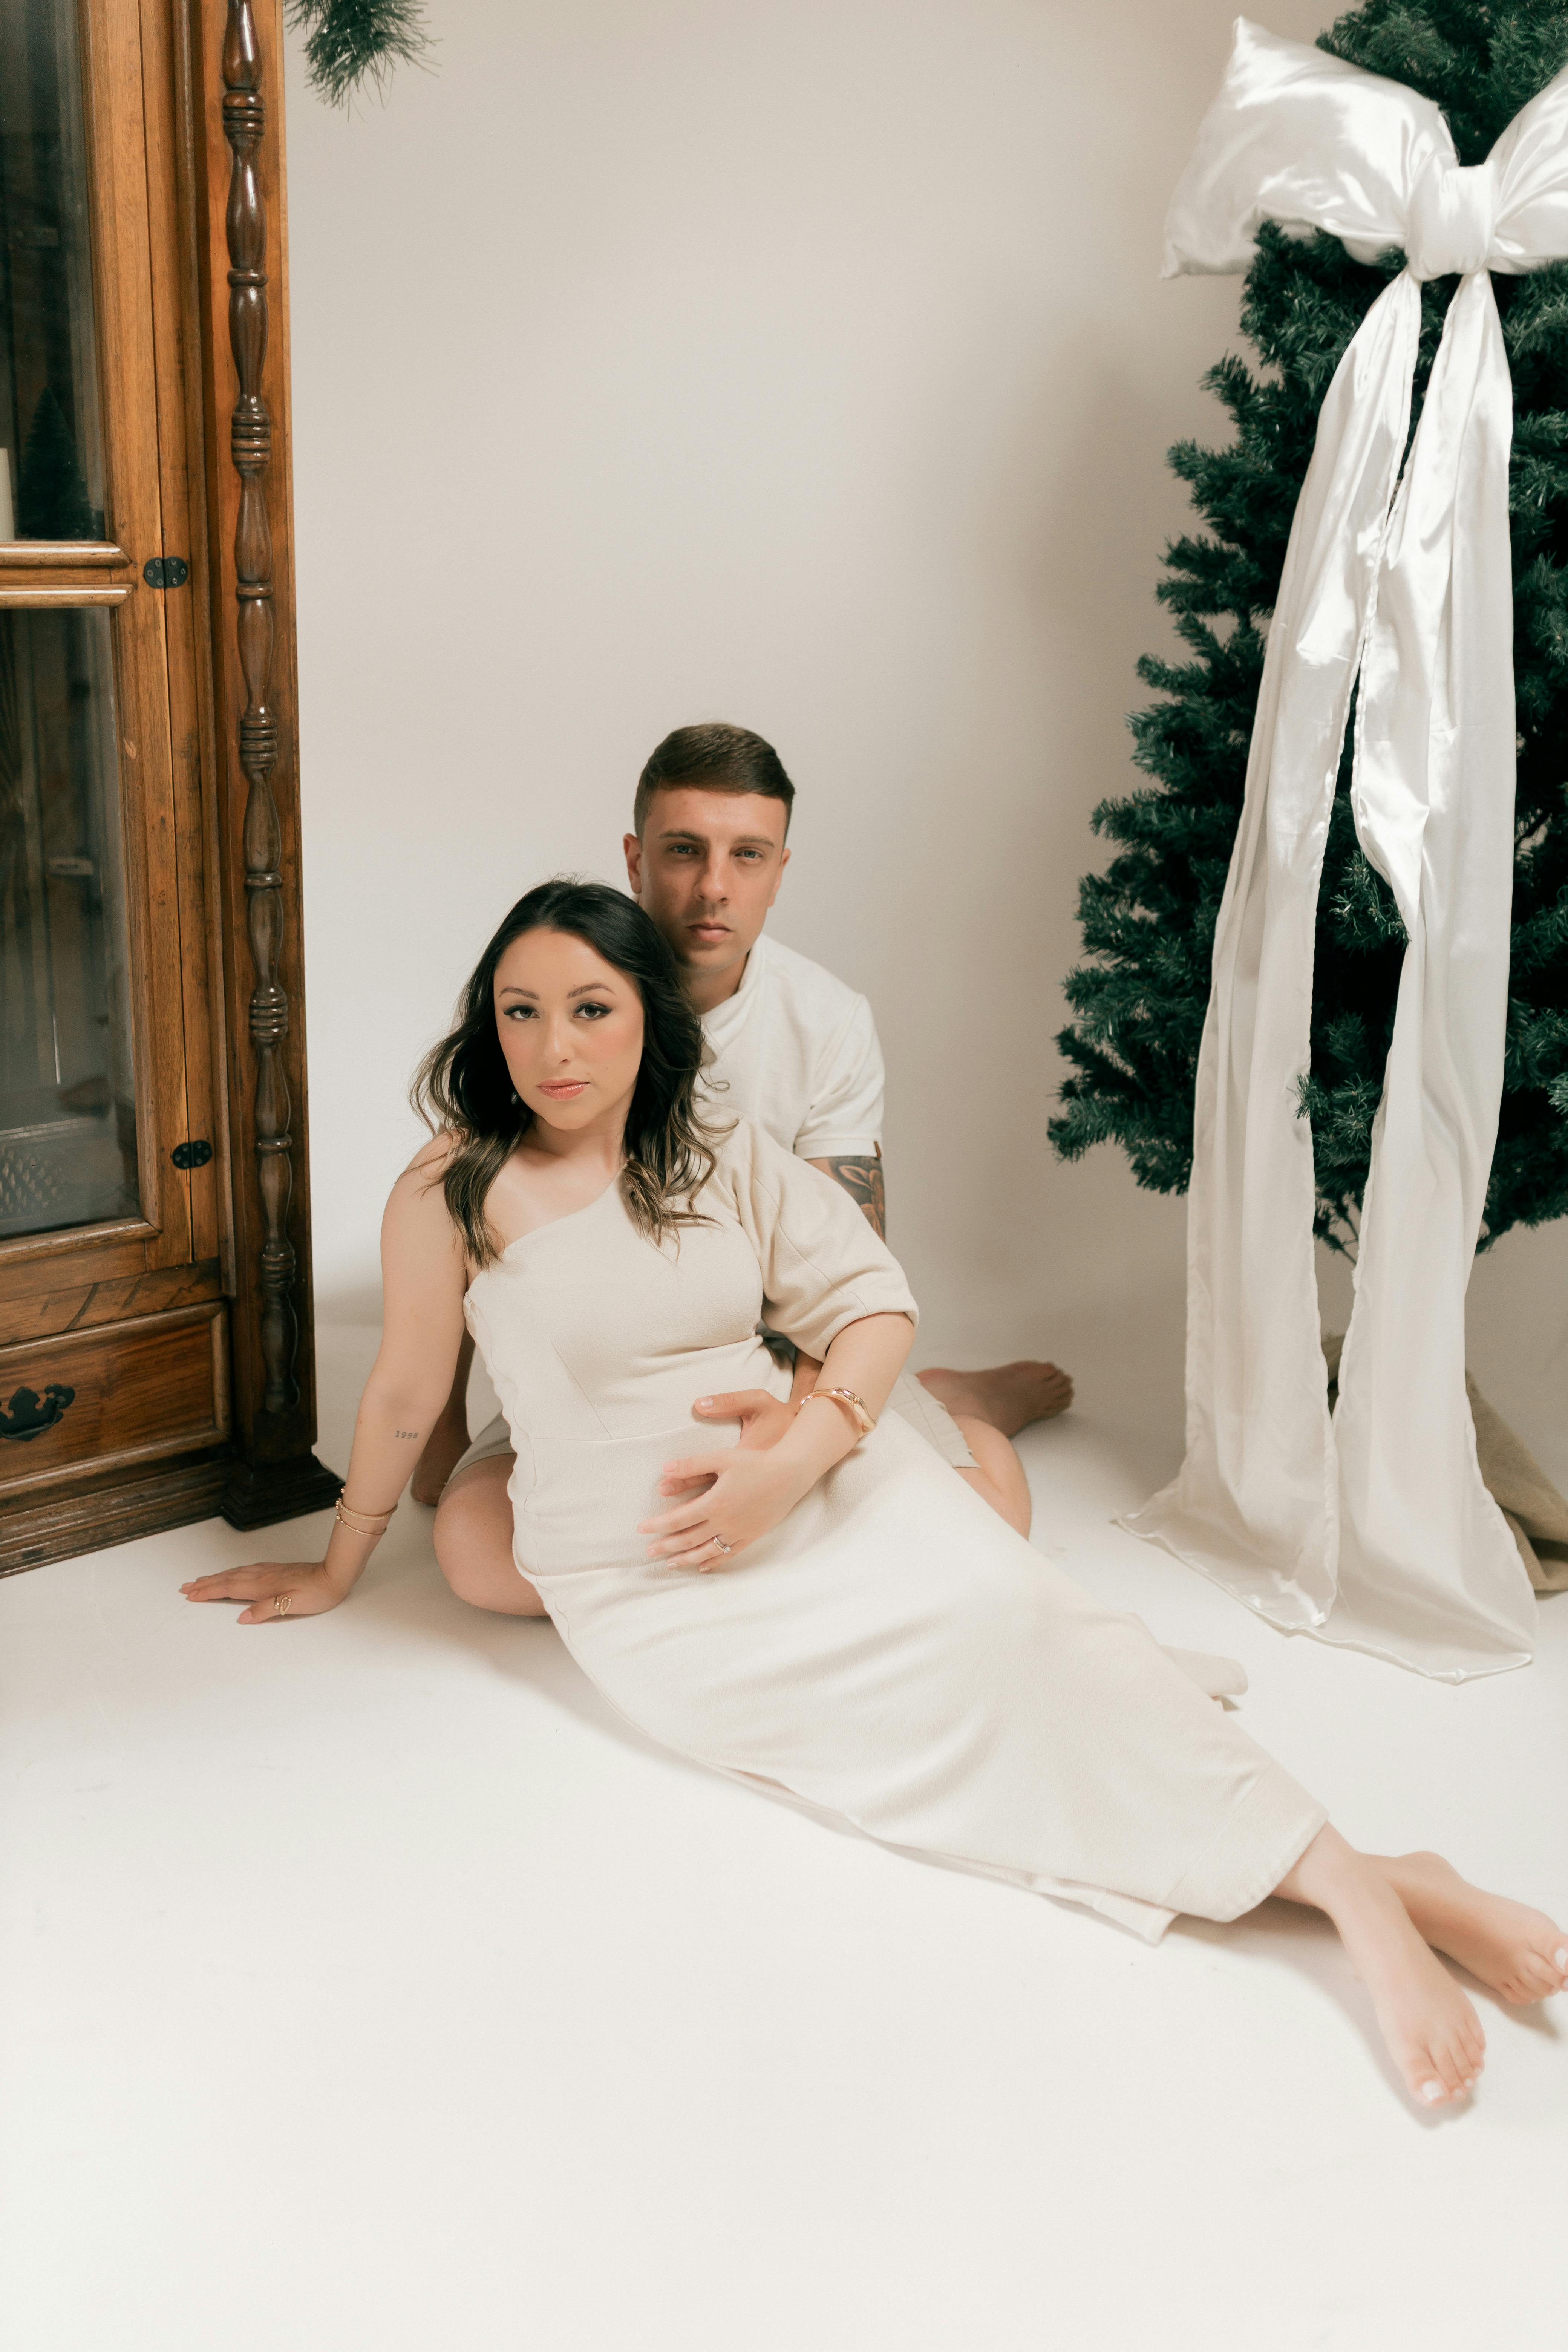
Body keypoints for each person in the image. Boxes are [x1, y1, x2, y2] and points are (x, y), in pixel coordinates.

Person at [183, 879, 1568, 2112]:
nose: (552, 1047)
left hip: (821, 1490)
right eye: (521, 1010)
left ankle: (1362, 1898)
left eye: (591, 1009)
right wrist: (337, 1565)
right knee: (927, 1770)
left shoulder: (715, 1153)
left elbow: (872, 1308)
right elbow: (406, 1397)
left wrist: (791, 1463)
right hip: (653, 1595)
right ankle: (1390, 1881)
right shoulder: (454, 1185)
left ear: (647, 1021)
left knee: (1023, 1630)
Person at [417, 722, 1070, 1570]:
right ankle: (932, 1398)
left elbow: (850, 1254)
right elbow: (465, 1223)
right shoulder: (548, 997)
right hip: (602, 1358)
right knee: (473, 1543)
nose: (713, 888)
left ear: (781, 871)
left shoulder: (827, 1019)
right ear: (634, 858)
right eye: (684, 850)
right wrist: (439, 1437)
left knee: (983, 1529)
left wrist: (803, 1437)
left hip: (770, 1345)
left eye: (748, 856)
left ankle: (960, 1400)